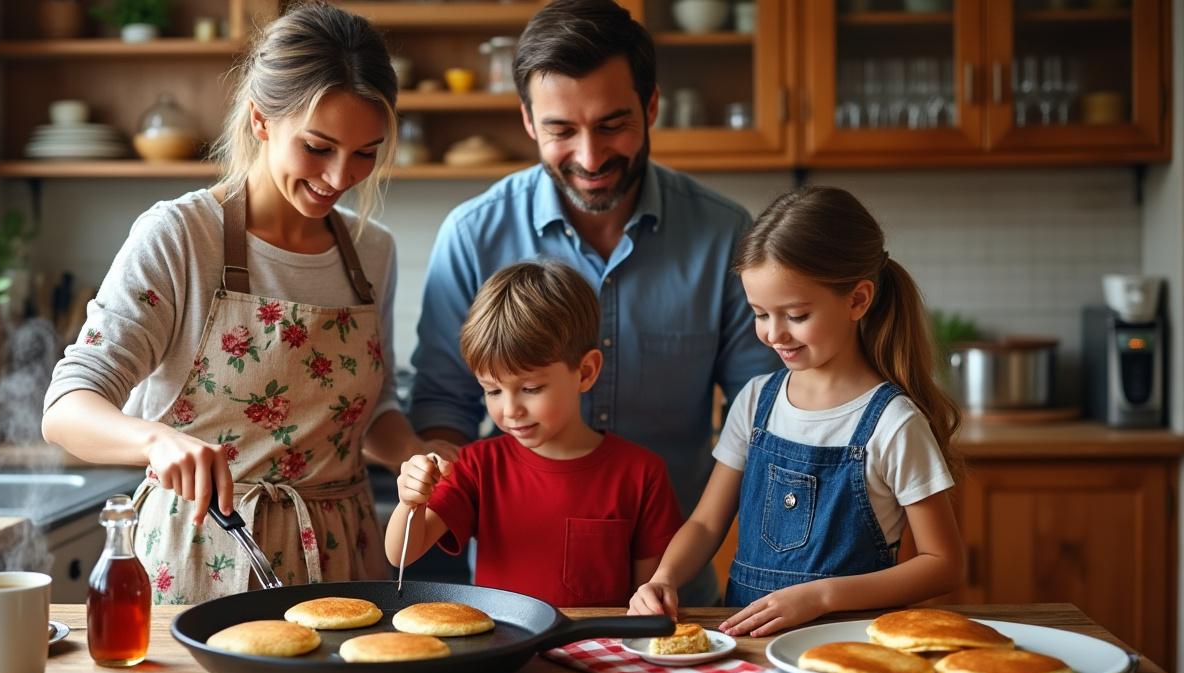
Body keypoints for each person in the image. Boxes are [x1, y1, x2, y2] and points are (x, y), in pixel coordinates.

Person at [41, 3, 451, 605]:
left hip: (342, 556)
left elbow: (372, 410)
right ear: (261, 120)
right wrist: (156, 442)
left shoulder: (371, 253)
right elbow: (67, 408)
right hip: (203, 557)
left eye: (366, 152)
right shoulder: (180, 237)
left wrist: (416, 456)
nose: (341, 176)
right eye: (318, 147)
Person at [407, 0, 777, 607]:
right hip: (510, 601)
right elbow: (442, 404)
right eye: (560, 130)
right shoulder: (473, 234)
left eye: (612, 124)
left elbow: (756, 418)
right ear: (527, 121)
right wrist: (436, 487)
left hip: (671, 593)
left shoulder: (724, 237)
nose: (589, 156)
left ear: (651, 106)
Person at [629, 186, 966, 636]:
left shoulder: (893, 422)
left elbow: (943, 565)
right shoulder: (754, 401)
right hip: (749, 646)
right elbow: (707, 522)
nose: (773, 334)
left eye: (796, 315)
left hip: (848, 646)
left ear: (857, 300)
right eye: (760, 313)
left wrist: (823, 596)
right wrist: (663, 578)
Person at [386, 261, 683, 607]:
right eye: (493, 391)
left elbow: (646, 600)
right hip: (503, 654)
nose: (510, 409)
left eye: (530, 388)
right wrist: (410, 501)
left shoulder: (642, 474)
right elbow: (400, 555)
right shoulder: (475, 466)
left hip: (598, 655)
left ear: (585, 372)